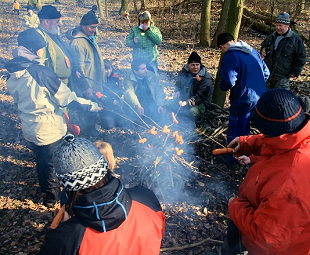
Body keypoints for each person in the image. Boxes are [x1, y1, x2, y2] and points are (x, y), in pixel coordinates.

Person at [4, 29, 102, 207]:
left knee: (41, 160)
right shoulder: (40, 72)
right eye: (41, 48)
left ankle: (47, 191)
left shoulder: (14, 70)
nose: (43, 51)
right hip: (48, 128)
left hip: (29, 125)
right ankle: (52, 198)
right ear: (34, 50)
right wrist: (91, 105)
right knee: (51, 163)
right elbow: (66, 98)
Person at [39, 135, 166, 255]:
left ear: (68, 188)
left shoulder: (67, 239)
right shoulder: (146, 198)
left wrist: (60, 229)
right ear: (105, 168)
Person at [220, 89, 310, 255]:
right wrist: (248, 143)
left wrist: (235, 205)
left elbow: (266, 239)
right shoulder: (299, 132)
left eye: (264, 131)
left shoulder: (290, 183)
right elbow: (281, 143)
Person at [217, 33, 270, 147]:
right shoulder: (252, 51)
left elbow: (230, 80)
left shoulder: (230, 56)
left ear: (222, 46)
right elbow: (266, 73)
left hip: (242, 98)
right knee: (246, 126)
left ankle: (231, 156)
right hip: (260, 96)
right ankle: (246, 153)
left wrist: (223, 87)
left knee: (235, 127)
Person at [66, 11, 106, 136]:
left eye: (95, 27)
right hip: (86, 83)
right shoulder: (77, 43)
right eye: (91, 27)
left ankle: (91, 129)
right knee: (86, 108)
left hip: (93, 80)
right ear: (83, 25)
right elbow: (78, 68)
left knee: (93, 106)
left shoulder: (88, 38)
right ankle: (85, 133)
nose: (94, 30)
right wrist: (85, 87)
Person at [260, 12, 306, 90]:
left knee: (281, 98)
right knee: (265, 97)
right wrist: (263, 50)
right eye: (276, 25)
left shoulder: (295, 39)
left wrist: (295, 71)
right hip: (267, 73)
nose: (278, 28)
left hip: (283, 76)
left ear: (287, 26)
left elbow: (301, 57)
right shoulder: (271, 36)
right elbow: (263, 47)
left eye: (280, 25)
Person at [37, 5, 73, 85]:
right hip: (53, 85)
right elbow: (39, 66)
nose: (60, 24)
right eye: (57, 21)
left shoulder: (54, 35)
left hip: (64, 83)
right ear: (46, 22)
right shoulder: (38, 37)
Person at [173, 51, 214, 121]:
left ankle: (194, 122)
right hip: (185, 100)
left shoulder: (206, 78)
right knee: (169, 105)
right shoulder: (183, 73)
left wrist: (187, 102)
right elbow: (178, 85)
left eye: (197, 64)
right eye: (192, 65)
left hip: (201, 102)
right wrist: (177, 91)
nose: (195, 67)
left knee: (191, 112)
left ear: (200, 65)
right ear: (188, 65)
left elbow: (201, 96)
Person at [123, 59, 165, 125]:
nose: (146, 70)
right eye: (143, 69)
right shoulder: (128, 79)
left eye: (146, 68)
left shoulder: (151, 75)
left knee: (158, 117)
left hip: (151, 102)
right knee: (136, 121)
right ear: (135, 71)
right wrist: (137, 106)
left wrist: (160, 104)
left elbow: (159, 90)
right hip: (138, 103)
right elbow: (130, 93)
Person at [126, 11, 162, 75]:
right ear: (139, 22)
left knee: (152, 79)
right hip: (138, 61)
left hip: (151, 60)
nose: (144, 24)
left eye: (146, 22)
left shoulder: (154, 29)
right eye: (142, 22)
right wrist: (133, 41)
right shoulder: (134, 30)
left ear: (150, 21)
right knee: (138, 80)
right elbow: (127, 42)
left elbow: (158, 41)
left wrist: (148, 31)